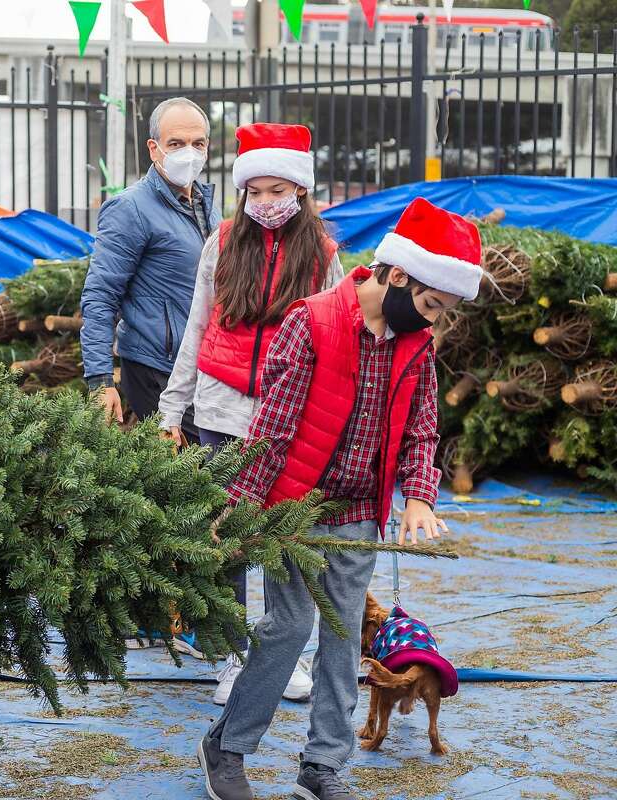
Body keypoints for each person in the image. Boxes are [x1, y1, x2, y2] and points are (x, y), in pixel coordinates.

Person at [196, 197, 482, 800]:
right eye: (430, 304)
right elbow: (273, 425)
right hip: (298, 508)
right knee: (289, 625)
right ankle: (228, 745)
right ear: (398, 274)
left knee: (344, 636)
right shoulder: (313, 321)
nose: (431, 321)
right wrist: (241, 500)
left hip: (359, 512)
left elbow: (422, 427)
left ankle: (322, 765)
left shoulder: (415, 345)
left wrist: (420, 497)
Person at [158, 123, 343, 707]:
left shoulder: (325, 255)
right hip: (220, 412)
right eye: (254, 191)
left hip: (291, 420)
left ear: (301, 192)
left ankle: (278, 655)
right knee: (227, 541)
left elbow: (340, 340)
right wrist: (172, 407)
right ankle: (231, 658)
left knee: (286, 541)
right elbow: (195, 327)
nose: (265, 203)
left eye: (277, 190)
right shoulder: (221, 243)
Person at [81, 96, 219, 443]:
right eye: (176, 143)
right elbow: (100, 295)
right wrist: (99, 380)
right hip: (155, 367)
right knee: (195, 472)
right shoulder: (130, 209)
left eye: (197, 143)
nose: (189, 152)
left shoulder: (205, 204)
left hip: (200, 367)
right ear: (153, 148)